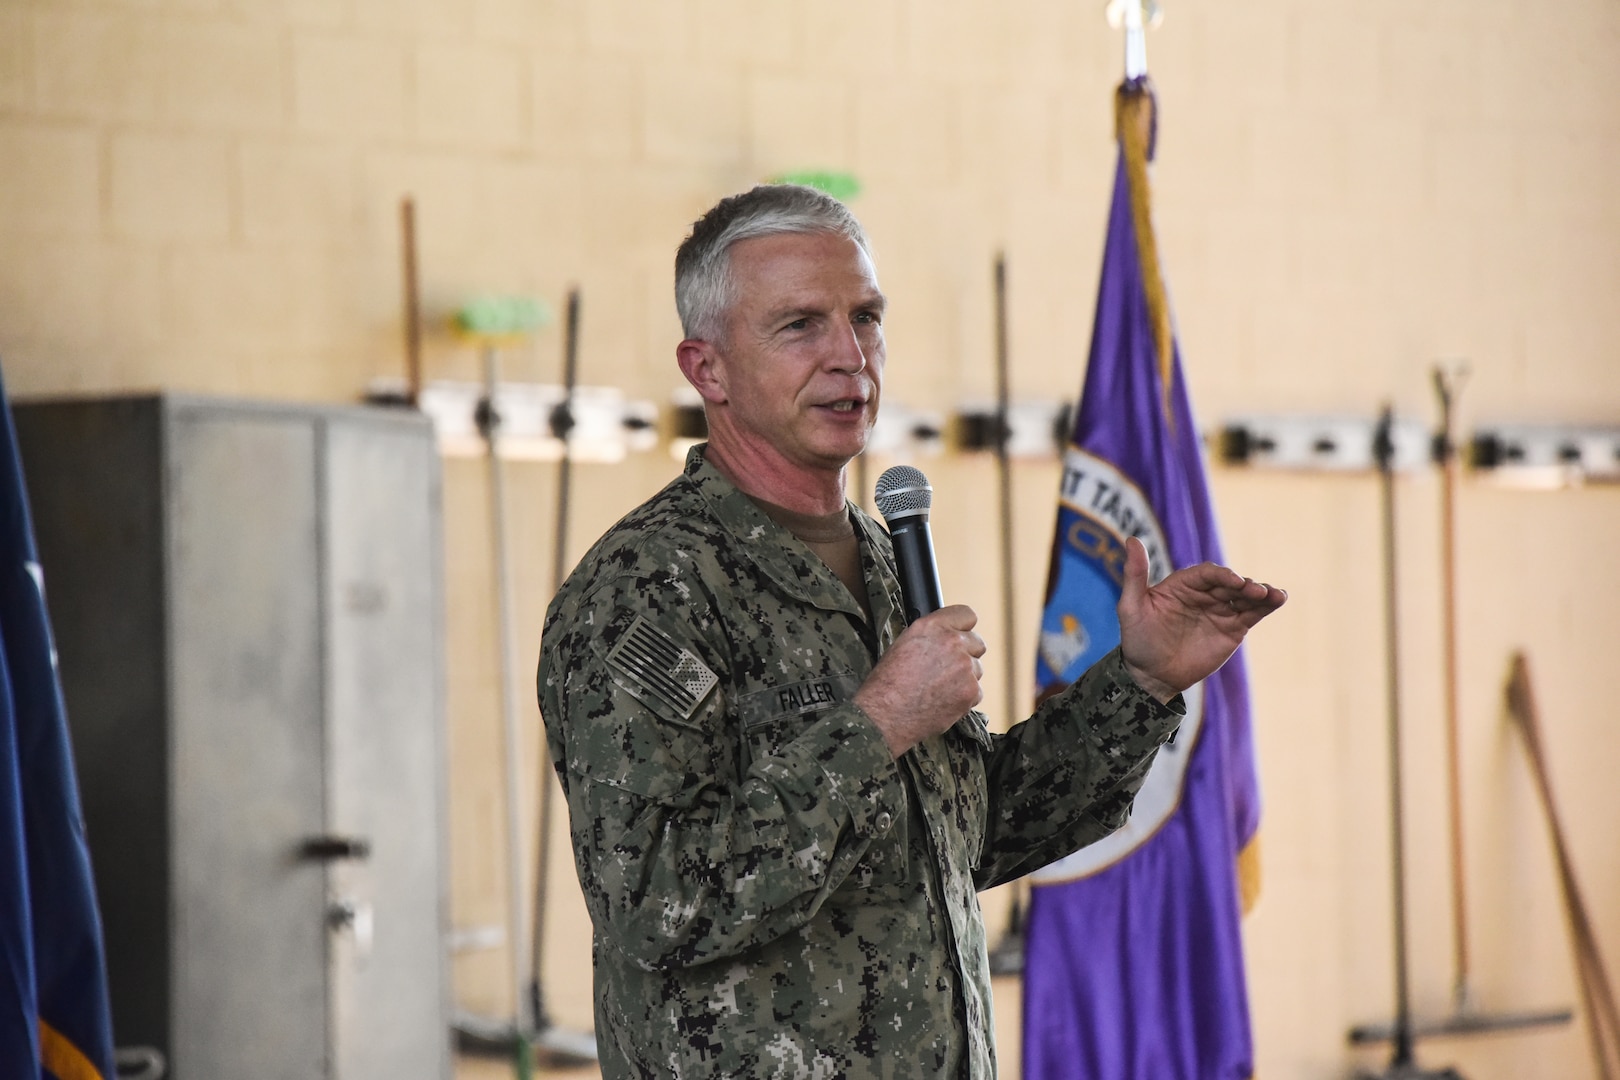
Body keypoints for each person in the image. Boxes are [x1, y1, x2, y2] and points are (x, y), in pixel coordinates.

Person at [536, 183, 1286, 1079]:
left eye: (866, 318)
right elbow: (656, 898)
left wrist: (1141, 683)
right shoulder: (647, 589)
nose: (850, 357)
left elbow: (976, 831)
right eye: (800, 326)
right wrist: (877, 724)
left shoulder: (887, 559)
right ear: (708, 370)